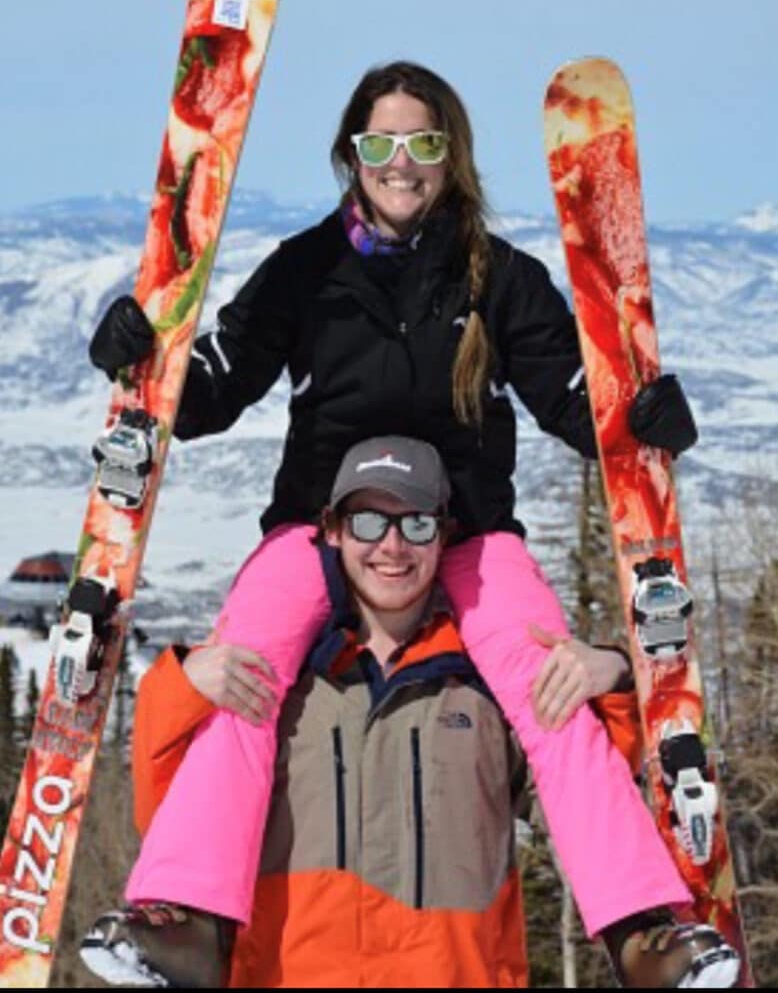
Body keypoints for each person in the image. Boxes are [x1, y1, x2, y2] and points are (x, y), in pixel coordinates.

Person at [86, 63, 704, 974]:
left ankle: (643, 927)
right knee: (244, 679)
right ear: (351, 154)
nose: (401, 164)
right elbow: (215, 389)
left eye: (423, 144)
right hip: (318, 526)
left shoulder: (502, 278)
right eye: (381, 144)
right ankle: (187, 919)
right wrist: (142, 359)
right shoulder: (305, 270)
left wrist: (641, 416)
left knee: (554, 694)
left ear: (451, 156)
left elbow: (576, 403)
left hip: (466, 537)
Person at [81, 437, 737, 988]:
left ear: (444, 537)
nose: (392, 546)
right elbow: (165, 810)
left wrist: (618, 677)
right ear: (332, 532)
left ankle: (644, 938)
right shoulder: (275, 683)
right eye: (369, 522)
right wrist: (185, 688)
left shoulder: (490, 684)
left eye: (416, 523)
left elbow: (595, 795)